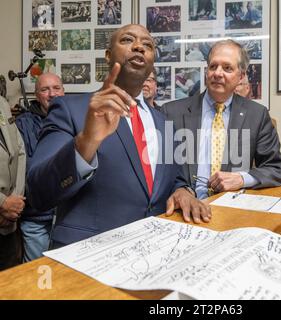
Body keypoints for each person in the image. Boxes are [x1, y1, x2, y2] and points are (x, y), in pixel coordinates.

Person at [27, 24, 211, 247]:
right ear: (108, 55)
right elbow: (38, 191)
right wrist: (86, 142)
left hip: (155, 249)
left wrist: (183, 191)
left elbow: (175, 179)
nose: (138, 47)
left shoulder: (165, 123)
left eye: (147, 45)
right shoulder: (71, 109)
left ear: (152, 61)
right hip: (88, 255)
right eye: (127, 40)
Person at [162, 40, 281, 200]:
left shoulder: (257, 115)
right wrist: (179, 189)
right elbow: (159, 169)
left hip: (231, 208)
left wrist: (241, 178)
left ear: (240, 76)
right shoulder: (172, 112)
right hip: (184, 208)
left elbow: (277, 169)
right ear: (206, 71)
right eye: (213, 66)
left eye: (227, 68)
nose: (218, 73)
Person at [15, 73, 64, 261]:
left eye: (56, 88)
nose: (52, 94)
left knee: (67, 275)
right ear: (37, 95)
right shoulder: (23, 124)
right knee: (38, 275)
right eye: (45, 89)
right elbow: (23, 169)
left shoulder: (77, 119)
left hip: (67, 216)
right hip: (36, 216)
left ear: (63, 91)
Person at [0, 96, 26, 270]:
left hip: (7, 223)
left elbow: (20, 151)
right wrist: (2, 203)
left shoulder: (2, 103)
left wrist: (14, 203)